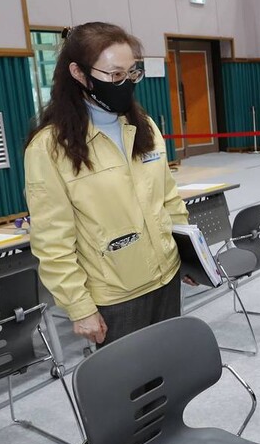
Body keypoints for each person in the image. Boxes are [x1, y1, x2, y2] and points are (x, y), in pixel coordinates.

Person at [24, 22, 190, 347]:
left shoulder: (145, 128)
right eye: (114, 75)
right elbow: (52, 240)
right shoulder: (50, 148)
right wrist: (79, 307)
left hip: (167, 279)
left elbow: (169, 199)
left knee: (169, 381)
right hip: (116, 296)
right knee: (130, 393)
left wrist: (189, 255)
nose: (124, 83)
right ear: (79, 73)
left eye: (131, 73)